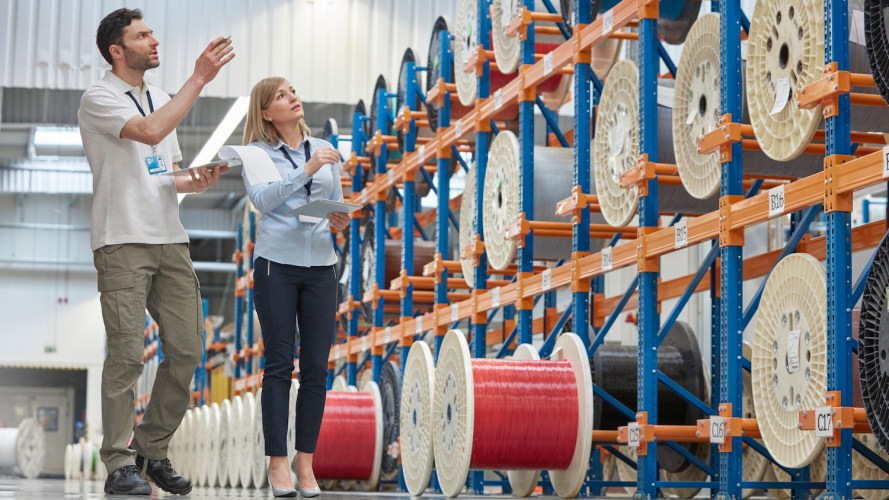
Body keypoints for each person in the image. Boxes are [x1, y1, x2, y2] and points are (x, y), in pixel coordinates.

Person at [78, 7, 234, 496]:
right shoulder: (99, 97)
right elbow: (147, 133)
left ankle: (151, 449)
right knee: (126, 354)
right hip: (122, 239)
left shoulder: (161, 97)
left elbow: (161, 172)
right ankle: (119, 463)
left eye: (153, 33)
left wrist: (195, 179)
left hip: (170, 238)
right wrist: (200, 77)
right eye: (142, 36)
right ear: (117, 51)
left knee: (187, 349)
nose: (154, 40)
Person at [241, 77, 349, 498]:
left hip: (322, 265)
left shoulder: (324, 150)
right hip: (276, 268)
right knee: (280, 364)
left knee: (317, 368)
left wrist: (339, 218)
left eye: (293, 91)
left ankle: (306, 462)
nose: (293, 98)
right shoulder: (257, 154)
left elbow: (333, 202)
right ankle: (278, 463)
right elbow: (264, 201)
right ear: (267, 112)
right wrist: (308, 168)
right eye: (282, 96)